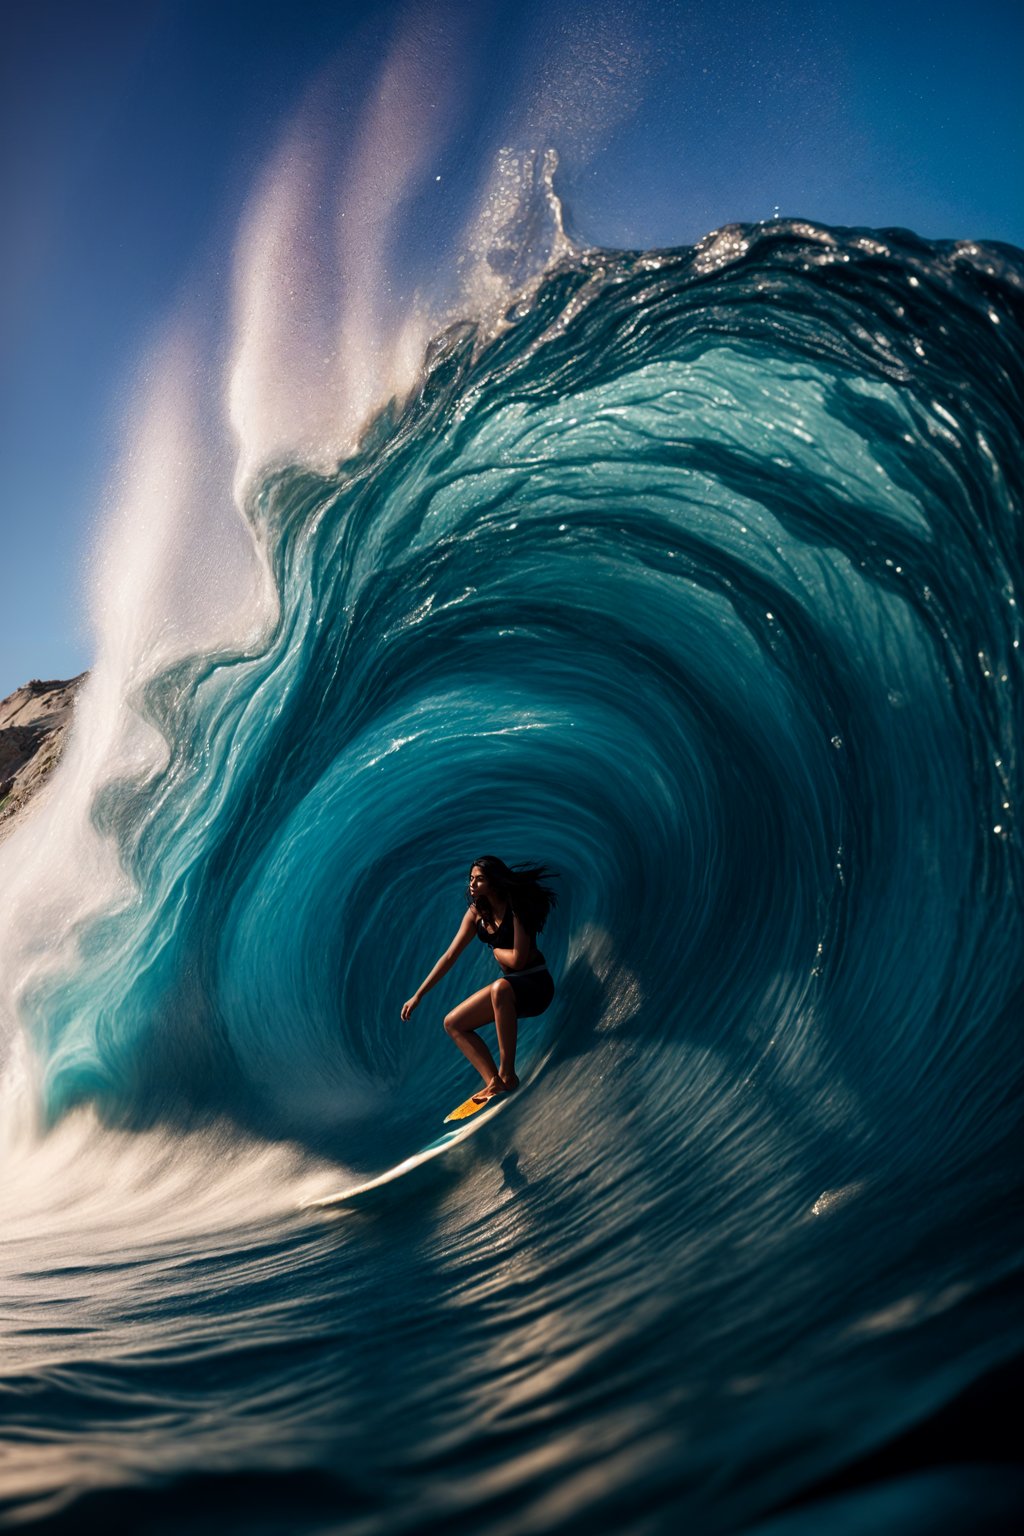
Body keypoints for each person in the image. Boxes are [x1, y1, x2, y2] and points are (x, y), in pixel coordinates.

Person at [401, 857, 558, 1101]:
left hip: (537, 985)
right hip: (509, 988)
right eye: (471, 878)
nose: (472, 884)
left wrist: (497, 951)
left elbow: (518, 959)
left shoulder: (517, 906)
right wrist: (418, 995)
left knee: (499, 989)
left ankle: (508, 1075)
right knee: (453, 1023)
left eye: (479, 879)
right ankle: (493, 1081)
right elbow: (451, 955)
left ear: (494, 881)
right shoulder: (477, 913)